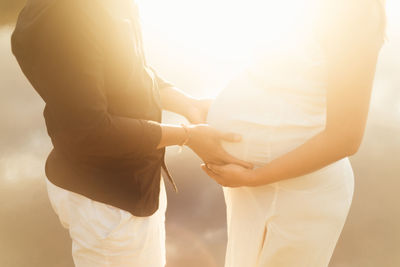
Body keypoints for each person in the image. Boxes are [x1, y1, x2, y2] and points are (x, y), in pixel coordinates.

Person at [11, 0, 252, 266]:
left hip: (135, 180)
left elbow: (127, 73)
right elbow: (88, 131)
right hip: (107, 200)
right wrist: (187, 136)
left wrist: (187, 104)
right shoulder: (64, 19)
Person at [205, 0, 386, 266]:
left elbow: (346, 137)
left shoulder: (355, 11)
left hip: (294, 193)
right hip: (256, 185)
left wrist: (256, 177)